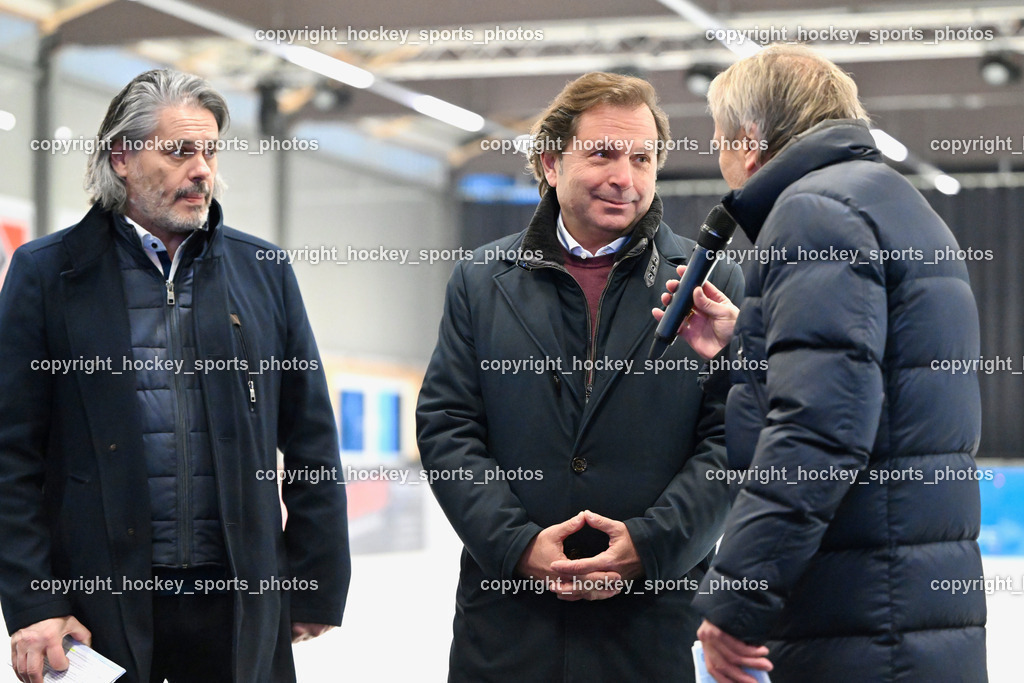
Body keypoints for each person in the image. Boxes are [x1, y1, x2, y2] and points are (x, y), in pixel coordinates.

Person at [0, 69, 350, 683]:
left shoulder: (262, 271)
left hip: (238, 602)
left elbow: (311, 437)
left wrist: (316, 580)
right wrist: (34, 601)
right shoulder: (47, 273)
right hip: (98, 606)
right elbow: (10, 455)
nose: (202, 170)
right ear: (122, 158)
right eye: (180, 151)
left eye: (210, 151)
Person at [656, 44, 987, 682]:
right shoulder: (893, 203)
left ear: (751, 141)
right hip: (906, 605)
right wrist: (749, 343)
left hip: (857, 614)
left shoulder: (814, 215)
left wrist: (737, 595)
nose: (719, 155)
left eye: (719, 139)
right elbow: (874, 383)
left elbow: (818, 429)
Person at [416, 71, 744, 681]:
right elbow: (447, 427)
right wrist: (517, 546)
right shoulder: (481, 280)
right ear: (550, 163)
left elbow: (731, 439)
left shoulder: (709, 283)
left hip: (648, 623)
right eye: (603, 154)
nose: (625, 177)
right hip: (509, 624)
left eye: (642, 158)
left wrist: (650, 545)